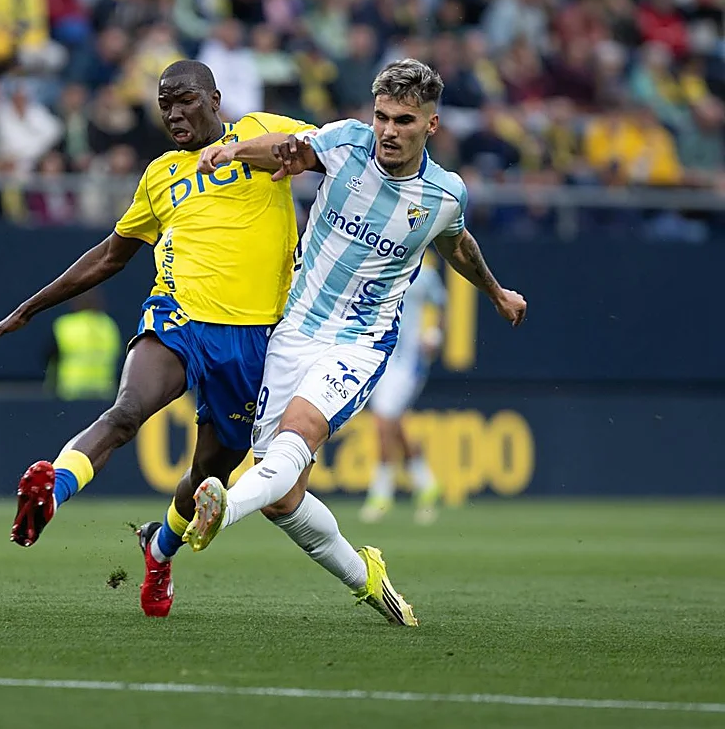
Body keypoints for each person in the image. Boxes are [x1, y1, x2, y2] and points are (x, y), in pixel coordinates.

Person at [172, 59, 527, 626]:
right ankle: (369, 580)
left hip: (358, 341)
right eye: (382, 116)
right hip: (293, 330)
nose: (388, 130)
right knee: (285, 499)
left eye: (404, 120)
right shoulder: (345, 143)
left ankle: (223, 508)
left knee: (299, 435)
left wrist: (496, 292)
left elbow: (456, 245)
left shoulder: (444, 195)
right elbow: (291, 149)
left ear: (431, 125)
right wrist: (234, 151)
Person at [0, 61, 314, 598]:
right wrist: (28, 309)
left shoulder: (260, 133)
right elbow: (110, 256)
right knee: (127, 412)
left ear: (216, 98)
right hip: (178, 316)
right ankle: (51, 491)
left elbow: (323, 152)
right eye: (164, 105)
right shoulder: (160, 175)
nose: (174, 114)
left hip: (252, 339)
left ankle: (159, 551)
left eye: (185, 101)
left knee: (207, 480)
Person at [360, 252, 447, 525]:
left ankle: (381, 494)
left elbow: (442, 304)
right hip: (380, 357)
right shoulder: (378, 266)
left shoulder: (424, 273)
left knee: (383, 419)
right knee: (393, 423)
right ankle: (426, 483)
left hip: (408, 361)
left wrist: (435, 333)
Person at [46, 290, 123, 401]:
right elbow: (119, 355)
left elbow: (50, 356)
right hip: (102, 391)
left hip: (71, 391)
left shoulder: (66, 325)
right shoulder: (108, 325)